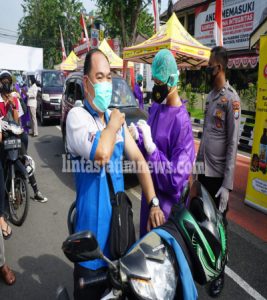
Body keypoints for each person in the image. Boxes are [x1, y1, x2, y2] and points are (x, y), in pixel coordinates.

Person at [66, 48, 164, 300]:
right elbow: (101, 153)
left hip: (120, 238)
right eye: (100, 77)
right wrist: (113, 125)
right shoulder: (78, 117)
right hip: (91, 249)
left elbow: (140, 160)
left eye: (109, 77)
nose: (106, 84)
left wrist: (153, 202)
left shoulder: (114, 118)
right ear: (86, 82)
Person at [129, 49, 195, 237]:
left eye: (159, 83)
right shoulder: (157, 108)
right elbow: (147, 149)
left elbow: (175, 179)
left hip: (166, 208)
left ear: (172, 81)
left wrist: (152, 149)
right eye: (155, 82)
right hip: (149, 197)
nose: (156, 87)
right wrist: (139, 138)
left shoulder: (181, 123)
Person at [195, 46, 241, 297]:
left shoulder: (232, 99)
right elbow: (206, 138)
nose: (207, 68)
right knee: (204, 222)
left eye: (210, 65)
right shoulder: (212, 96)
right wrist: (196, 168)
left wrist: (228, 184)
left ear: (219, 68)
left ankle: (219, 273)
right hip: (205, 173)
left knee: (220, 227)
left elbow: (233, 144)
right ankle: (206, 263)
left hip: (219, 179)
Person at [0, 71, 47, 206]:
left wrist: (13, 104)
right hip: (3, 137)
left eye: (8, 81)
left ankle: (36, 191)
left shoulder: (15, 98)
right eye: (3, 81)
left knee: (24, 159)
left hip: (15, 135)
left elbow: (17, 120)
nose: (6, 84)